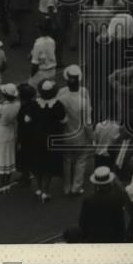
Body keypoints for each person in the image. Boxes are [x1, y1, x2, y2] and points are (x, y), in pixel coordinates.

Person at [24, 78, 67, 201]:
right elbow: (63, 121)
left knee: (37, 163)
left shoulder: (34, 104)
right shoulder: (57, 105)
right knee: (48, 165)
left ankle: (38, 187)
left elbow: (27, 120)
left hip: (36, 138)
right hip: (51, 139)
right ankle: (46, 191)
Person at [57, 65, 92, 196]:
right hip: (80, 135)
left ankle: (66, 186)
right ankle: (76, 187)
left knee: (66, 160)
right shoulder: (84, 94)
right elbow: (88, 121)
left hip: (65, 134)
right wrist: (92, 137)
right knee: (81, 160)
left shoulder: (61, 95)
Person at [78, 165, 127, 243]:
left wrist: (84, 237)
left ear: (96, 184)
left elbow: (83, 222)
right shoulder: (117, 199)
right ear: (109, 182)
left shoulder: (88, 200)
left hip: (94, 237)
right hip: (112, 237)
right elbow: (120, 221)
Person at [0, 83, 21, 185]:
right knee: (9, 153)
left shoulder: (1, 107)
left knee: (1, 154)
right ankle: (7, 180)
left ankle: (2, 182)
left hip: (2, 130)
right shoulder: (18, 105)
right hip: (11, 130)